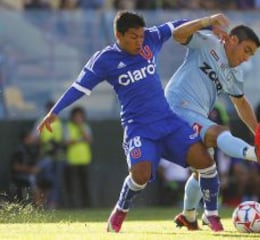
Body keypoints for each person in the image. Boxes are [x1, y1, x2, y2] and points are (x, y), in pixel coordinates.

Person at [37, 11, 233, 232]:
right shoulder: (105, 60)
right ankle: (120, 211)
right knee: (139, 176)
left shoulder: (150, 38)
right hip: (139, 129)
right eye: (133, 37)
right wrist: (55, 110)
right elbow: (79, 86)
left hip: (168, 123)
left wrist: (208, 24)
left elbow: (177, 26)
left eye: (141, 36)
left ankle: (212, 216)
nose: (139, 41)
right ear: (118, 35)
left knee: (206, 162)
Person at [164, 17, 260, 230]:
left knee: (204, 167)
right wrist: (207, 21)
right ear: (232, 40)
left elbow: (241, 103)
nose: (246, 58)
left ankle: (189, 215)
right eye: (247, 50)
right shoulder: (208, 42)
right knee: (219, 132)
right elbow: (177, 35)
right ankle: (253, 154)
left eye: (251, 54)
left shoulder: (235, 74)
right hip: (177, 105)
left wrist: (258, 130)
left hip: (197, 114)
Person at [64, 106, 92, 208]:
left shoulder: (85, 127)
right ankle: (72, 206)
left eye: (80, 116)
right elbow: (67, 142)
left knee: (84, 185)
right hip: (72, 160)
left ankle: (86, 205)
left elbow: (88, 139)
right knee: (72, 186)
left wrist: (81, 129)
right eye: (76, 116)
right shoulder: (68, 127)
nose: (78, 118)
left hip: (84, 160)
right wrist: (78, 139)